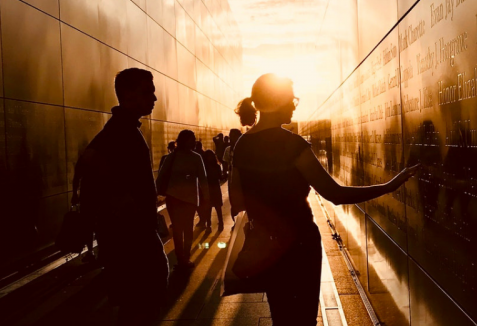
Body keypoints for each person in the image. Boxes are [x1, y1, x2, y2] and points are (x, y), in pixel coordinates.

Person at [229, 74, 420, 326]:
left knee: (282, 317)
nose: (294, 105)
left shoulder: (243, 145)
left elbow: (236, 202)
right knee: (303, 318)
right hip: (299, 246)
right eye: (291, 100)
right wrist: (388, 186)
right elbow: (335, 194)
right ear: (276, 102)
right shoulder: (292, 145)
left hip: (266, 247)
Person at [77, 68, 166, 325]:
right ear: (127, 94)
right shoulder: (121, 134)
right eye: (148, 92)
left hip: (127, 239)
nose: (154, 98)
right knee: (141, 307)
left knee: (135, 306)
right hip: (131, 242)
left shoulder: (119, 131)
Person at [157, 130, 209, 270]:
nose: (192, 142)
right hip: (189, 199)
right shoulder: (196, 158)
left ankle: (182, 259)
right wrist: (207, 197)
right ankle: (185, 258)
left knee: (179, 230)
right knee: (187, 229)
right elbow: (203, 179)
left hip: (175, 198)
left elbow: (161, 177)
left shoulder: (172, 157)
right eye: (190, 139)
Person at [202, 150, 224, 230]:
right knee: (218, 208)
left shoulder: (204, 167)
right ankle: (221, 223)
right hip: (216, 188)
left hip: (208, 188)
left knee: (208, 208)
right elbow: (220, 177)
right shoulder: (217, 166)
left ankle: (209, 225)